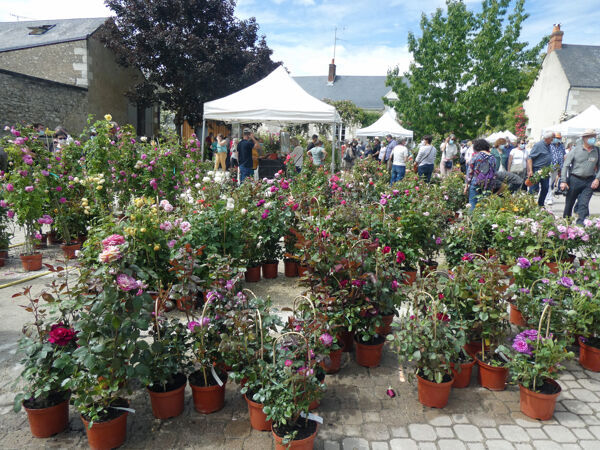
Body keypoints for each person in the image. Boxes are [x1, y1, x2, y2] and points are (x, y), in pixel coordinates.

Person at [560, 129, 600, 224]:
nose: (593, 139)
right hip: (575, 179)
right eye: (590, 137)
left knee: (583, 204)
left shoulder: (597, 150)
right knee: (569, 204)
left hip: (589, 180)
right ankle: (566, 224)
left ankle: (580, 226)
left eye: (594, 137)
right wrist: (563, 181)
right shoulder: (575, 150)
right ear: (584, 138)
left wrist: (597, 179)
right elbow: (565, 165)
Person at [464, 139, 496, 211]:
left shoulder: (476, 156)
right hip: (488, 184)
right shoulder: (492, 157)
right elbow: (494, 173)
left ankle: (471, 220)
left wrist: (466, 185)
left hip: (476, 182)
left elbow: (470, 172)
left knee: (472, 204)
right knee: (485, 205)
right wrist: (492, 186)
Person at [527, 131, 554, 207]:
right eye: (552, 138)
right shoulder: (538, 145)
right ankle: (529, 204)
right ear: (547, 138)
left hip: (546, 170)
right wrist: (530, 170)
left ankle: (541, 204)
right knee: (533, 188)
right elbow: (530, 158)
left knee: (545, 187)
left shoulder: (549, 145)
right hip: (537, 169)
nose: (553, 140)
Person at [547, 132, 566, 205]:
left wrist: (562, 168)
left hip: (558, 167)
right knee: (549, 183)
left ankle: (546, 196)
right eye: (556, 138)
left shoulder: (561, 146)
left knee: (552, 182)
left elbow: (564, 156)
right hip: (550, 166)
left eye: (558, 138)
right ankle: (549, 198)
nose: (557, 139)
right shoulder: (550, 145)